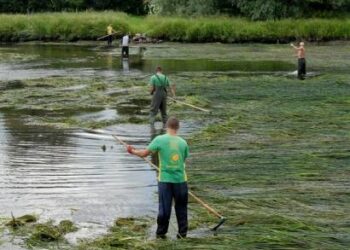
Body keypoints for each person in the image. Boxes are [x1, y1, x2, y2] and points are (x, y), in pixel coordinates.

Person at [126, 117, 189, 239]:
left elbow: (144, 153)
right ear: (178, 128)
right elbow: (183, 160)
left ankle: (160, 234)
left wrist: (132, 151)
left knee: (164, 209)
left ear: (166, 127)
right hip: (181, 180)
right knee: (181, 209)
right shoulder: (183, 142)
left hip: (165, 180)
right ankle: (182, 234)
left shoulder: (159, 139)